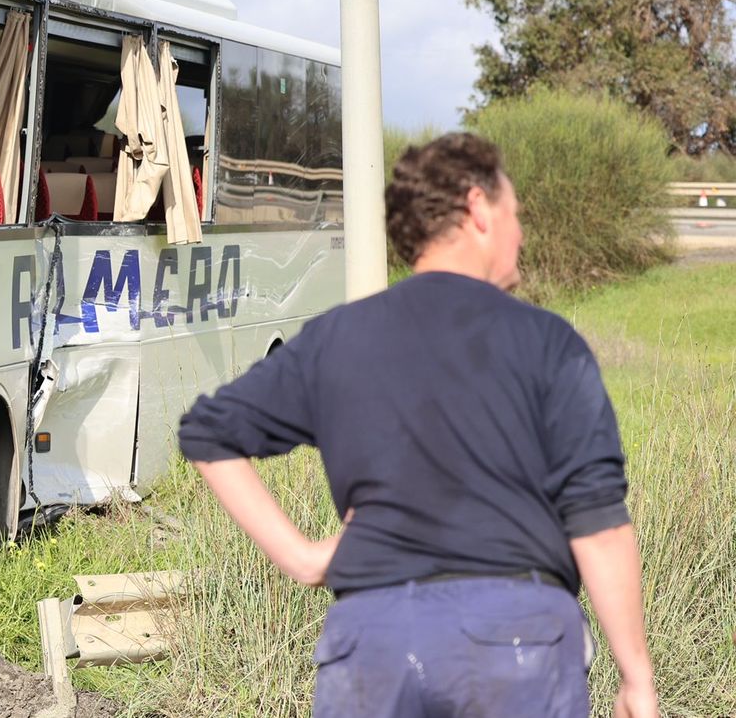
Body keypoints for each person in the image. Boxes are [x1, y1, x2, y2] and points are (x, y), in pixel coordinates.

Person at [177, 133, 655, 717]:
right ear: (479, 208)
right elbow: (598, 524)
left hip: (371, 642)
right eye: (515, 214)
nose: (521, 233)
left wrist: (303, 558)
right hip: (516, 640)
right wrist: (636, 675)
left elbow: (208, 432)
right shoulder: (548, 343)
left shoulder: (338, 337)